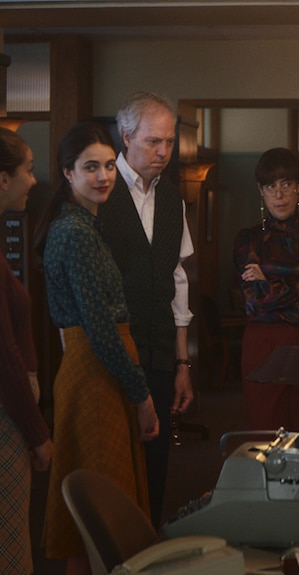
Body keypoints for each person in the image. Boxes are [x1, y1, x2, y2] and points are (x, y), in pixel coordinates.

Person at [33, 122, 159, 574]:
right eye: (90, 167)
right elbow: (101, 327)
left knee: (104, 506)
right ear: (68, 173)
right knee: (98, 511)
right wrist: (141, 395)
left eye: (108, 165)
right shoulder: (75, 232)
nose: (103, 176)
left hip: (100, 369)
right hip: (94, 374)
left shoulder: (85, 225)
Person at [98, 91, 194, 526]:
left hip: (158, 352)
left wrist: (182, 361)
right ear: (126, 137)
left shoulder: (172, 198)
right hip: (110, 352)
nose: (163, 152)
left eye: (170, 142)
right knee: (113, 469)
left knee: (155, 467)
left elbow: (177, 280)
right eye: (154, 141)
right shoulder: (100, 191)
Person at [233, 147, 299, 432]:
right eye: (271, 186)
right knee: (268, 436)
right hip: (263, 344)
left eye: (286, 184)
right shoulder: (248, 240)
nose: (279, 195)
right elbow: (255, 303)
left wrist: (271, 285)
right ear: (261, 190)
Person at [0, 128, 55, 575]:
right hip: (5, 417)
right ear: (3, 179)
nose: (34, 181)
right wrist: (38, 432)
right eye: (29, 170)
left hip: (11, 411)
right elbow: (4, 357)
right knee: (10, 546)